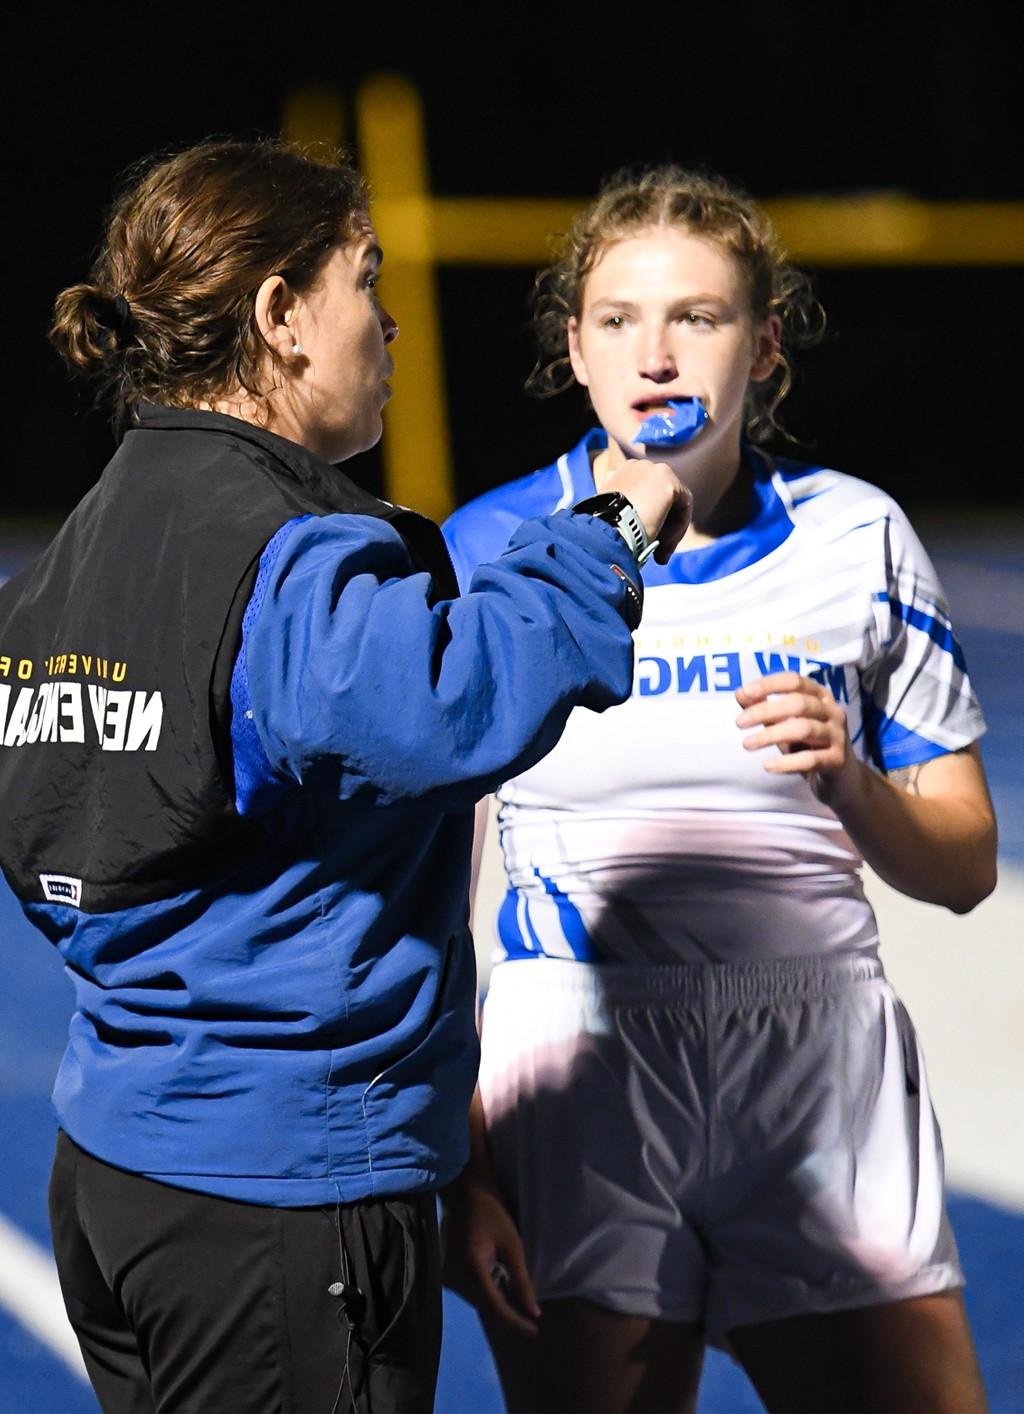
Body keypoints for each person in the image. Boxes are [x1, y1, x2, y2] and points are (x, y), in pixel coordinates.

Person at [0, 140, 690, 1414]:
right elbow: (457, 698)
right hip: (278, 1201)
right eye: (362, 282)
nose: (385, 322)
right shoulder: (283, 550)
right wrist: (605, 530)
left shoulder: (77, 549)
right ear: (277, 314)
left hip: (118, 1166)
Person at [441, 165, 997, 1414]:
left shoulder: (857, 538)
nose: (656, 354)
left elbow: (963, 865)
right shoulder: (489, 550)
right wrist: (455, 1167)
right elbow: (417, 895)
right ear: (572, 348)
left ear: (765, 341)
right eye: (618, 319)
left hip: (817, 1069)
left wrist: (851, 781)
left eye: (697, 316)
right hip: (577, 1068)